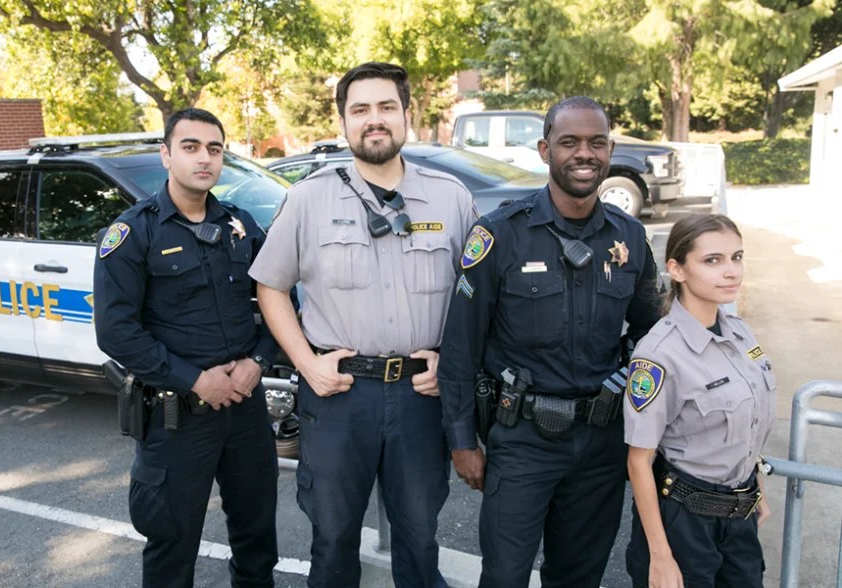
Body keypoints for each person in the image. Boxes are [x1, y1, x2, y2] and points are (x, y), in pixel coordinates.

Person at [249, 62, 478, 587]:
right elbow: (270, 286)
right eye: (360, 110)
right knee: (332, 539)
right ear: (344, 122)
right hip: (339, 396)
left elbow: (476, 296)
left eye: (386, 107)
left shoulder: (451, 198)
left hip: (421, 397)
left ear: (406, 115)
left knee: (419, 536)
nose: (374, 120)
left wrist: (452, 361)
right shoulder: (308, 199)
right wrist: (307, 365)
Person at [437, 96, 661, 587]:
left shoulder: (629, 238)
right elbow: (460, 346)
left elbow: (653, 334)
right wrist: (461, 441)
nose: (585, 154)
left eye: (597, 143)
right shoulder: (499, 235)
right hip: (522, 440)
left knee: (579, 577)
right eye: (569, 142)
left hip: (601, 442)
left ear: (610, 150)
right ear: (545, 150)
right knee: (505, 576)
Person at [94, 107, 279, 587]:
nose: (204, 158)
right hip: (178, 415)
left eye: (214, 149)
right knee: (171, 543)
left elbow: (279, 299)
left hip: (245, 406)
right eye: (190, 147)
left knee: (258, 534)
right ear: (166, 155)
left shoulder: (241, 225)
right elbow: (115, 331)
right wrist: (195, 379)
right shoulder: (134, 232)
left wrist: (258, 362)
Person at [624, 214, 775, 588]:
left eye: (736, 257)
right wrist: (661, 557)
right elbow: (639, 461)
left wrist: (755, 487)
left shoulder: (740, 332)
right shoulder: (659, 355)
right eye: (713, 260)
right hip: (685, 523)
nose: (731, 271)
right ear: (677, 269)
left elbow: (750, 420)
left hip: (740, 515)